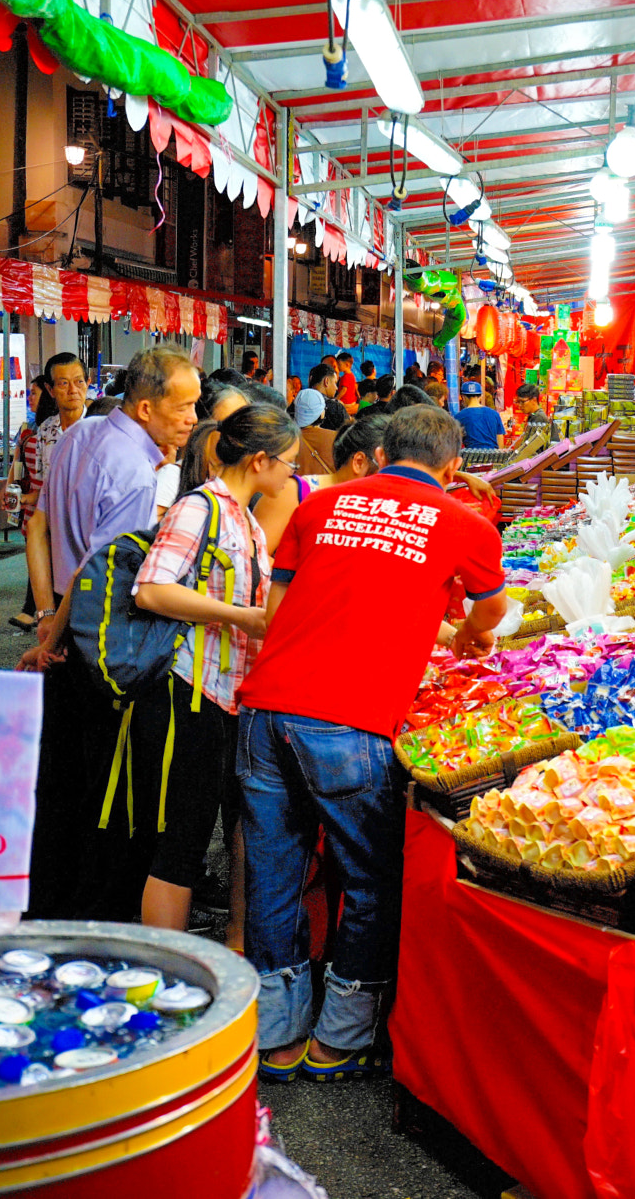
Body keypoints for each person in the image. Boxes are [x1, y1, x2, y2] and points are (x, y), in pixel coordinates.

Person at [240, 405, 508, 1081]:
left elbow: (274, 613)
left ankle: (275, 1035)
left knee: (273, 874)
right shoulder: (463, 523)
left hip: (267, 710)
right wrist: (472, 634)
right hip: (352, 722)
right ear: (453, 468)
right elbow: (494, 605)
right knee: (368, 880)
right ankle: (340, 1037)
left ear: (383, 451)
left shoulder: (321, 503)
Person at [20, 346, 201, 920]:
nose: (193, 419)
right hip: (102, 652)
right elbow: (103, 575)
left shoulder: (81, 434)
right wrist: (55, 632)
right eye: (185, 405)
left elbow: (40, 526)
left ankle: (48, 902)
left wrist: (47, 615)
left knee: (60, 788)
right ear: (146, 407)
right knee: (106, 795)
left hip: (66, 638)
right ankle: (95, 917)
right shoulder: (135, 475)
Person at [128, 403, 299, 930]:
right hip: (191, 690)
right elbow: (152, 590)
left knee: (227, 826)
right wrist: (240, 618)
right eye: (289, 462)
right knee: (184, 836)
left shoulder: (243, 516)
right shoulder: (199, 509)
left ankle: (226, 952)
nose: (293, 473)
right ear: (260, 461)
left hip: (227, 695)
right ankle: (165, 973)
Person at [16, 353, 91, 632]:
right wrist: (25, 500)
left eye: (79, 382)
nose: (73, 390)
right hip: (55, 532)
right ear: (50, 389)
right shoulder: (45, 431)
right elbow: (47, 488)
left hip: (89, 534)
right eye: (63, 384)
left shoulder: (101, 426)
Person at [456, 381, 504, 449]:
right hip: (493, 455)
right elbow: (500, 439)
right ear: (481, 396)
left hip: (471, 456)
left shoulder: (459, 416)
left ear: (463, 397)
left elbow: (456, 441)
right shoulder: (494, 414)